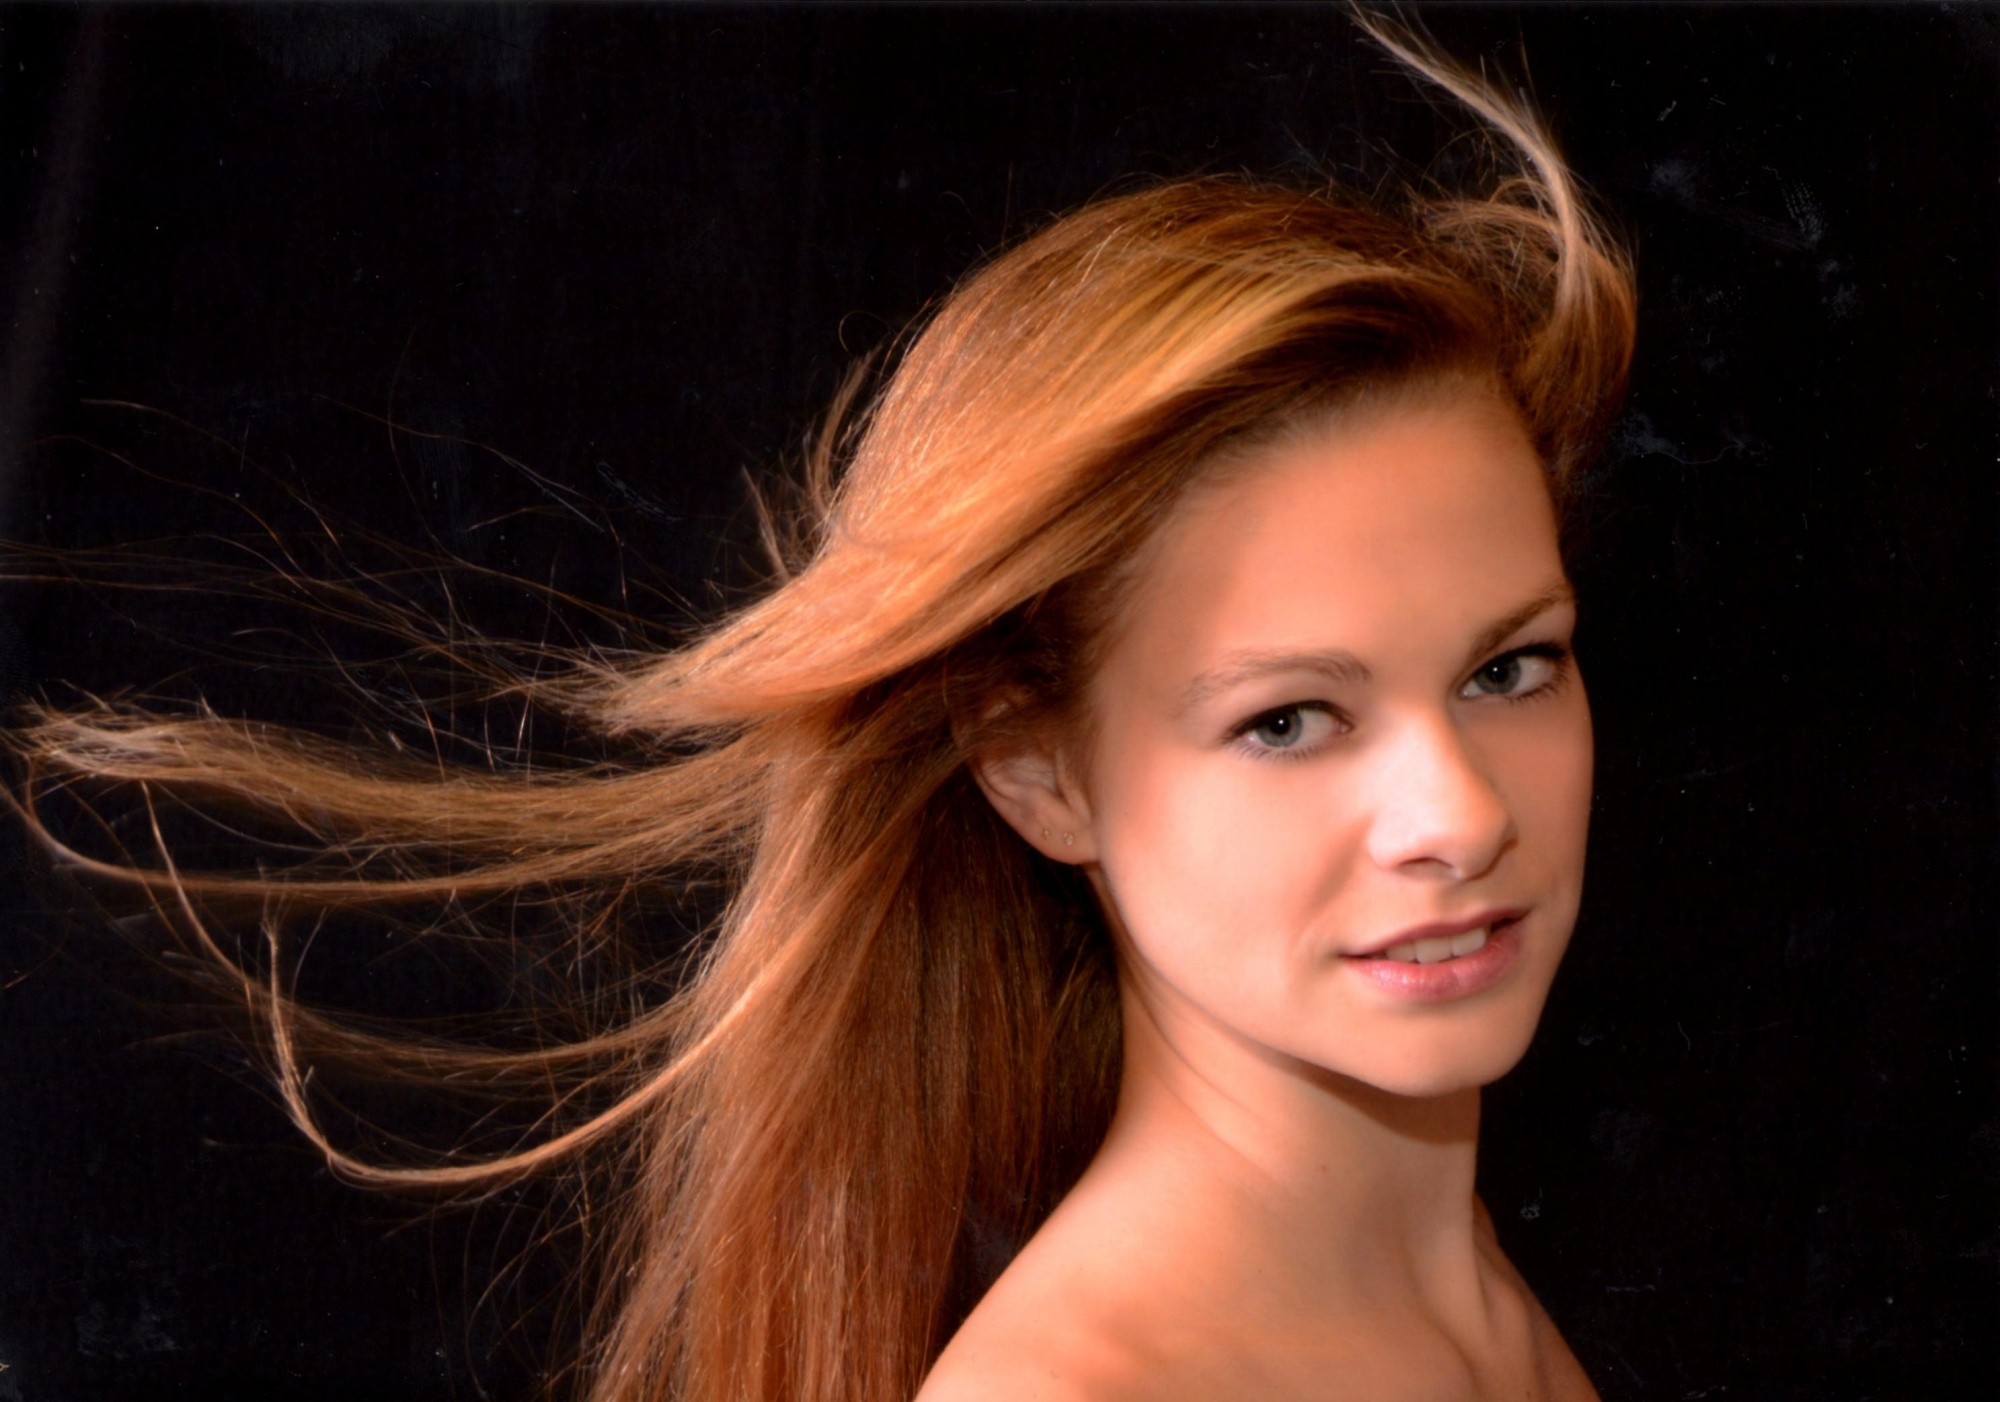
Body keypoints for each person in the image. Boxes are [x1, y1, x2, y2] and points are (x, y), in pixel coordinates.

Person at [8, 13, 1632, 1402]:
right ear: (1035, 770)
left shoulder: (1453, 1307)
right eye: (1287, 719)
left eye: (1510, 667)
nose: (1460, 813)